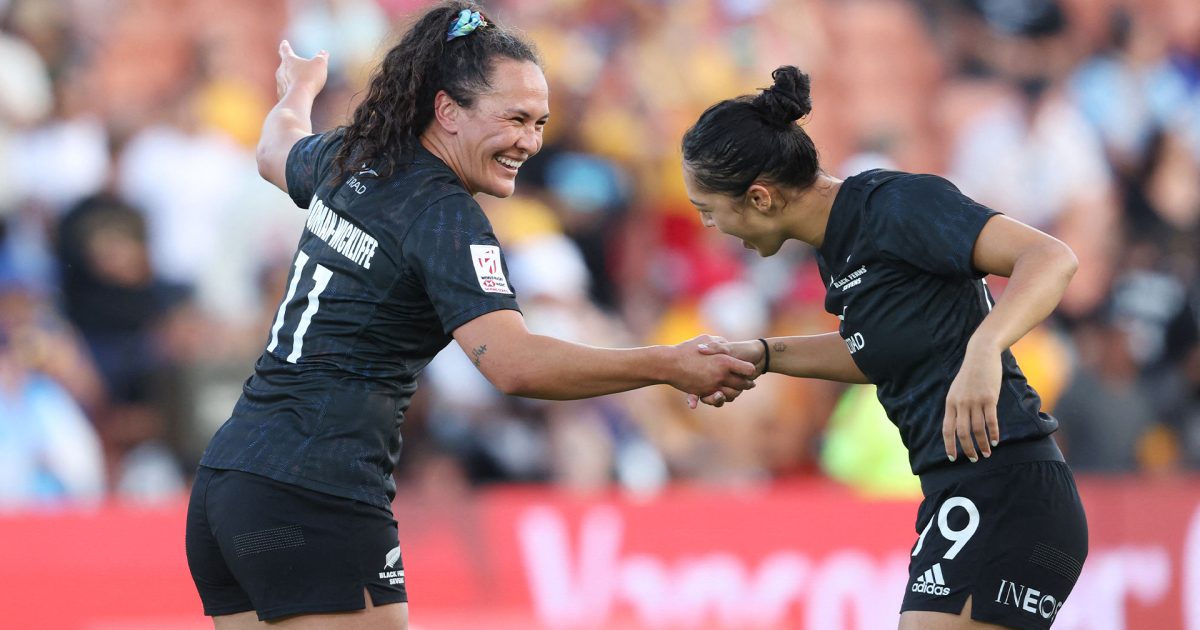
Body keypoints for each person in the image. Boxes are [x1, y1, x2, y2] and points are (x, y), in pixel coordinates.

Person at [184, 3, 756, 629]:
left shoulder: (351, 159)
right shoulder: (444, 215)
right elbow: (514, 366)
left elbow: (274, 149)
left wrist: (298, 91)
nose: (530, 142)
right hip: (313, 492)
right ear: (448, 111)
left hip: (229, 486)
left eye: (539, 123)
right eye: (514, 119)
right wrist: (668, 364)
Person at [682, 66, 1087, 630]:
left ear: (759, 197)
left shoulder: (896, 204)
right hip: (960, 493)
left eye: (708, 209)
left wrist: (984, 349)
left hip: (1007, 491)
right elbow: (875, 351)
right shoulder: (837, 245)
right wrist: (764, 354)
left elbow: (1051, 258)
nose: (709, 225)